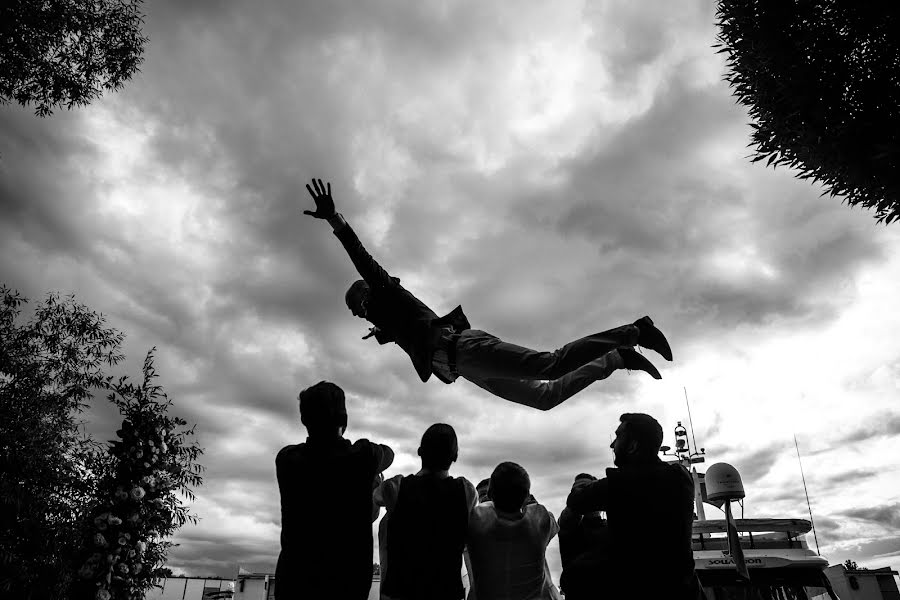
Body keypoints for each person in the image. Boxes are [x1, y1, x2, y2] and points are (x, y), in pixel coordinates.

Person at [303, 178, 672, 411]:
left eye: (356, 306)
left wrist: (336, 220)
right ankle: (616, 359)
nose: (356, 315)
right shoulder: (390, 319)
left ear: (366, 295)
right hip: (465, 367)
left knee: (549, 364)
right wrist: (384, 333)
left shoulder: (385, 290)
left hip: (465, 349)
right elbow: (406, 329)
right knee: (544, 398)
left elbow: (363, 260)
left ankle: (634, 331)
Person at [274, 381, 394, 600]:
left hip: (294, 582)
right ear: (344, 419)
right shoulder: (362, 456)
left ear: (303, 419)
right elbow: (388, 454)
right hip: (347, 585)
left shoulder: (287, 459)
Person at [566, 414, 705, 600]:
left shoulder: (620, 484)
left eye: (618, 437)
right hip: (685, 591)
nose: (612, 444)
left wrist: (582, 482)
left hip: (640, 590)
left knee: (572, 576)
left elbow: (576, 501)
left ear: (632, 446)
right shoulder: (681, 477)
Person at [376, 423, 477, 600]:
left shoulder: (395, 488)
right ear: (455, 456)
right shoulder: (467, 492)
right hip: (446, 593)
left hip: (401, 592)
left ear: (420, 451)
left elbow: (375, 497)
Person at [466, 462, 560, 600]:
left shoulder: (477, 522)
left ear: (490, 494)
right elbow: (552, 521)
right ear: (527, 495)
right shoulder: (540, 522)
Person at [557, 474, 611, 600]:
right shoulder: (569, 526)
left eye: (587, 489)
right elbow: (569, 516)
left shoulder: (607, 526)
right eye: (580, 490)